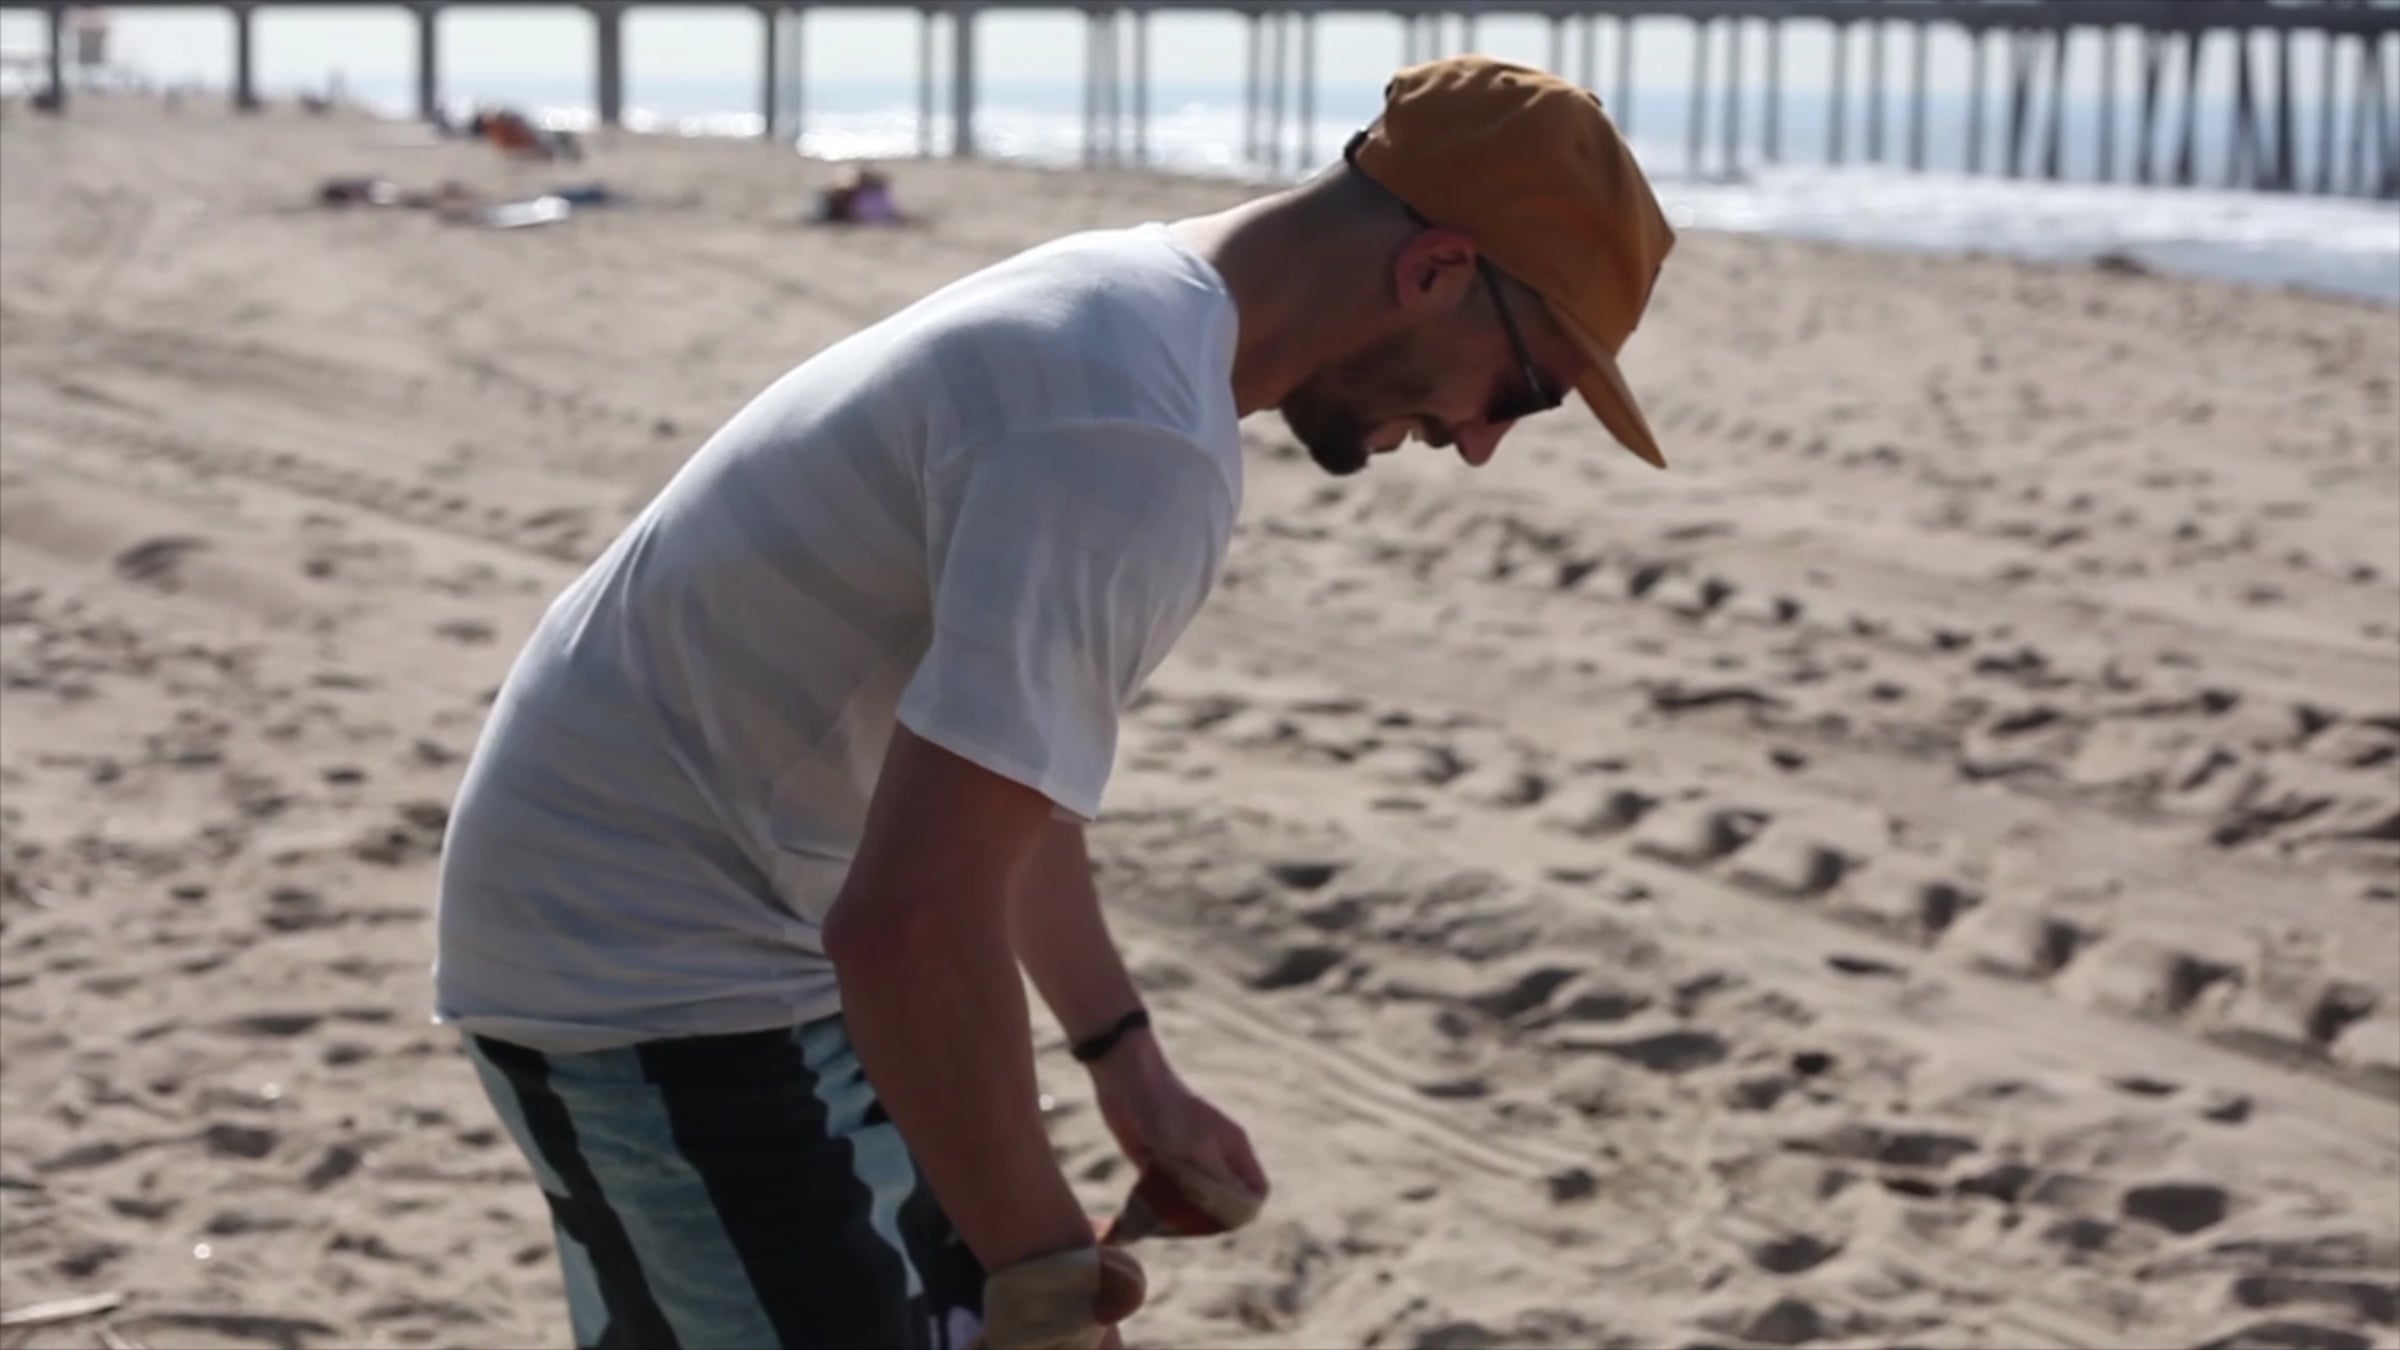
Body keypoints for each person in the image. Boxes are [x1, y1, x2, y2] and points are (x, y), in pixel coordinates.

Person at [432, 54, 1675, 1350]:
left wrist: (1125, 1060)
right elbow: (911, 917)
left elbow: (984, 780)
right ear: (1438, 270)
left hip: (668, 917)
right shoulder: (1131, 437)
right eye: (1525, 390)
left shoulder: (1123, 304)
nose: (1479, 440)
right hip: (658, 967)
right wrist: (1043, 1277)